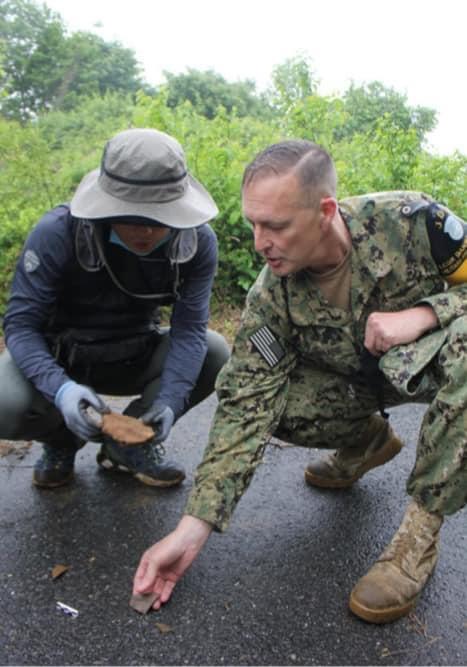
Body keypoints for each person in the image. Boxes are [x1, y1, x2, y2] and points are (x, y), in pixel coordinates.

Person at [132, 140, 467, 624]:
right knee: (272, 405)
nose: (258, 241)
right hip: (358, 383)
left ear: (325, 211)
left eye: (276, 226)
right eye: (253, 223)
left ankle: (418, 536)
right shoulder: (272, 295)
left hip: (432, 360)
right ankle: (367, 440)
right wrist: (191, 529)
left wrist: (425, 314)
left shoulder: (414, 224)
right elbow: (244, 403)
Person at [0, 127, 230, 489]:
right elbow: (20, 327)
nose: (146, 231)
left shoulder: (198, 243)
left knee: (215, 351)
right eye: (131, 216)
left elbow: (189, 331)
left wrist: (170, 400)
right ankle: (61, 440)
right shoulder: (57, 233)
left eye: (159, 218)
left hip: (134, 354)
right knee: (3, 399)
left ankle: (129, 445)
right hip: (63, 357)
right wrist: (61, 390)